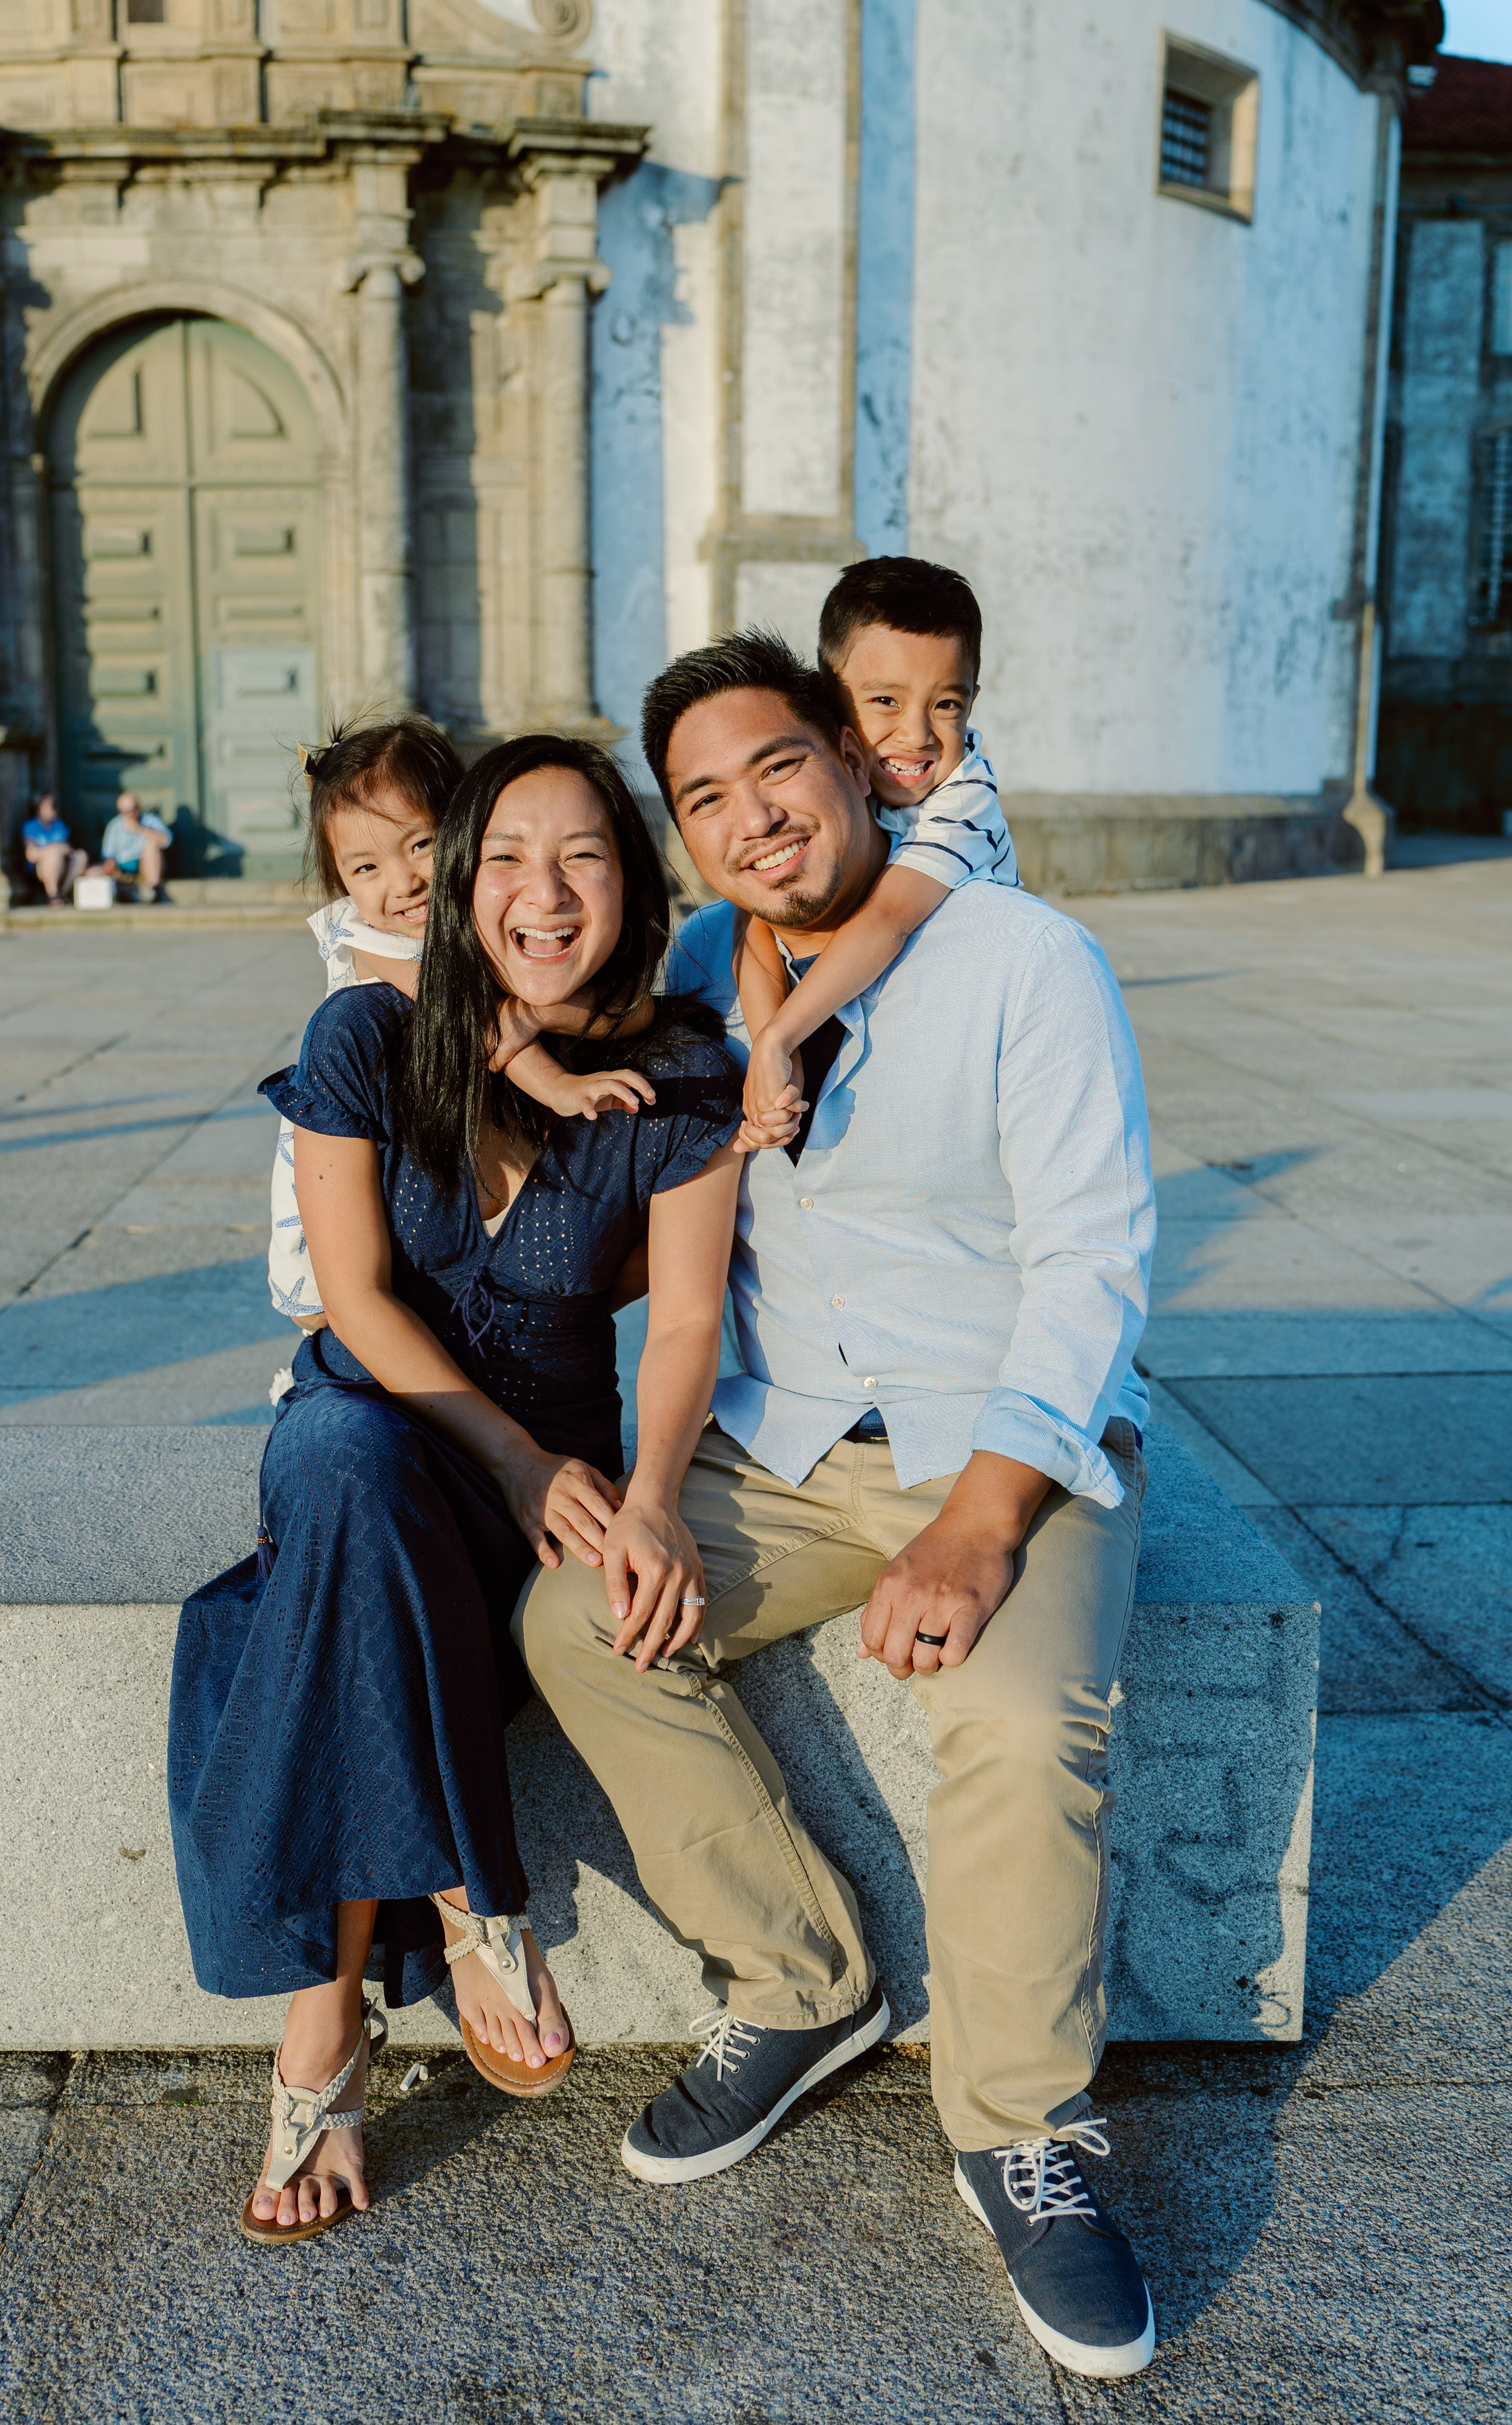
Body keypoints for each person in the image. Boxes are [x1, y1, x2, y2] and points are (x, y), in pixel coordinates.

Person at [517, 623, 1159, 2381]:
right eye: (701, 798)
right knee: (578, 1616)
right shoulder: (700, 969)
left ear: (849, 758)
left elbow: (1093, 1261)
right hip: (780, 1442)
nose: (747, 816)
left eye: (774, 767)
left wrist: (980, 1520)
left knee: (1022, 1720)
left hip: (1001, 1437)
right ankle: (800, 1982)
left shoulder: (1027, 957)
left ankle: (1017, 2125)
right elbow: (493, 991)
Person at [169, 733, 745, 2247]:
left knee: (335, 1572)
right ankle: (473, 1903)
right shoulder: (363, 1034)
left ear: (631, 878)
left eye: (582, 858)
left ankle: (325, 2037)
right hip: (397, 1434)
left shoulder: (679, 1077)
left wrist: (657, 1493)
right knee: (341, 1454)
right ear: (457, 884)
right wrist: (520, 1458)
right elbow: (350, 1298)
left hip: (517, 1500)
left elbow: (682, 1321)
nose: (540, 895)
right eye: (504, 858)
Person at [269, 716, 675, 1333]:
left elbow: (627, 1011)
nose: (402, 883)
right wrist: (557, 1085)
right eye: (365, 868)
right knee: (338, 1286)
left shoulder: (485, 925)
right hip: (345, 1153)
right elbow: (482, 1024)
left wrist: (546, 1010)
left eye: (420, 845)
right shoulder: (369, 939)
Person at [732, 559, 1018, 1144]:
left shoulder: (967, 795)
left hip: (956, 1019)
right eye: (886, 701)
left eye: (946, 705)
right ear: (829, 693)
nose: (916, 735)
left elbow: (889, 919)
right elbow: (756, 921)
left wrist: (781, 1038)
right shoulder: (834, 785)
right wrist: (775, 1058)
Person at [94, 791, 172, 900]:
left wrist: (139, 829)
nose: (130, 815)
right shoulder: (114, 825)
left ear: (139, 808)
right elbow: (107, 854)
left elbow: (166, 841)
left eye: (132, 810)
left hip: (145, 864)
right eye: (125, 812)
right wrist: (110, 863)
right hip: (122, 867)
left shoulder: (149, 820)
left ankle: (154, 892)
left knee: (152, 846)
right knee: (94, 871)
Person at [20, 792, 89, 905]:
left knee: (81, 856)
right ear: (39, 808)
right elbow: (31, 855)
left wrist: (63, 850)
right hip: (40, 869)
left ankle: (63, 893)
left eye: (55, 806)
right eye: (51, 806)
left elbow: (68, 848)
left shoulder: (59, 825)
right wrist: (54, 849)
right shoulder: (31, 827)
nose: (54, 809)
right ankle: (53, 895)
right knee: (54, 857)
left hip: (63, 866)